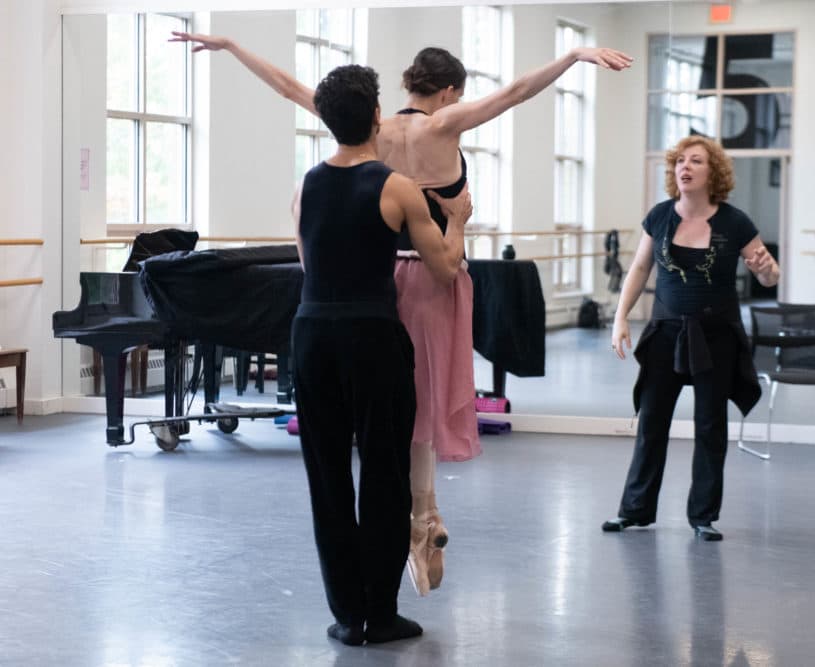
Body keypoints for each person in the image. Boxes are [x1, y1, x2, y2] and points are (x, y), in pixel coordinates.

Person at [170, 30, 632, 593]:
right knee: (423, 405)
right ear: (451, 92)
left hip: (381, 278)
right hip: (437, 273)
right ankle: (424, 516)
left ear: (408, 86)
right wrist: (573, 55)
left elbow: (291, 87)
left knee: (394, 406)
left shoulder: (374, 130)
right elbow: (515, 92)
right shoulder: (446, 125)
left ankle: (419, 519)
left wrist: (234, 48)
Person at [290, 64, 470, 645]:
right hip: (371, 339)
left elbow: (307, 264)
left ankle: (347, 615)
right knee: (386, 474)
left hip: (312, 336)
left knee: (328, 478)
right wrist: (460, 222)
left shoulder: (306, 186)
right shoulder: (395, 186)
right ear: (375, 117)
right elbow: (442, 270)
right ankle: (381, 612)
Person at [602, 136, 779, 541]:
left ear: (712, 172)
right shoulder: (661, 216)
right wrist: (620, 318)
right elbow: (640, 268)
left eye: (696, 161)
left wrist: (767, 271)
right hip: (665, 332)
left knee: (710, 426)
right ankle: (635, 511)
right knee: (652, 422)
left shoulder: (735, 222)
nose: (685, 166)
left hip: (716, 335)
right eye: (680, 160)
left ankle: (703, 516)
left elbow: (769, 275)